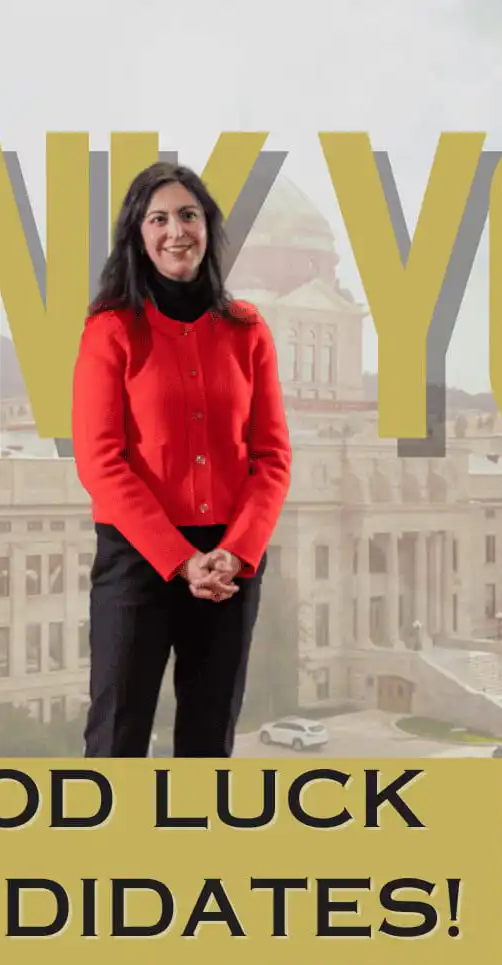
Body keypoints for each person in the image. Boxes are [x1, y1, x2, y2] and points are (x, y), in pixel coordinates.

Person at [70, 161, 291, 758]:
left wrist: (235, 553)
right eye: (159, 218)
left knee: (207, 740)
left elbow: (271, 458)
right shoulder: (111, 330)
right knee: (117, 736)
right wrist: (178, 559)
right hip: (137, 563)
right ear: (138, 236)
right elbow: (100, 461)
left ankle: (195, 855)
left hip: (227, 566)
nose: (176, 231)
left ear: (207, 228)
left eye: (188, 216)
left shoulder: (248, 330)